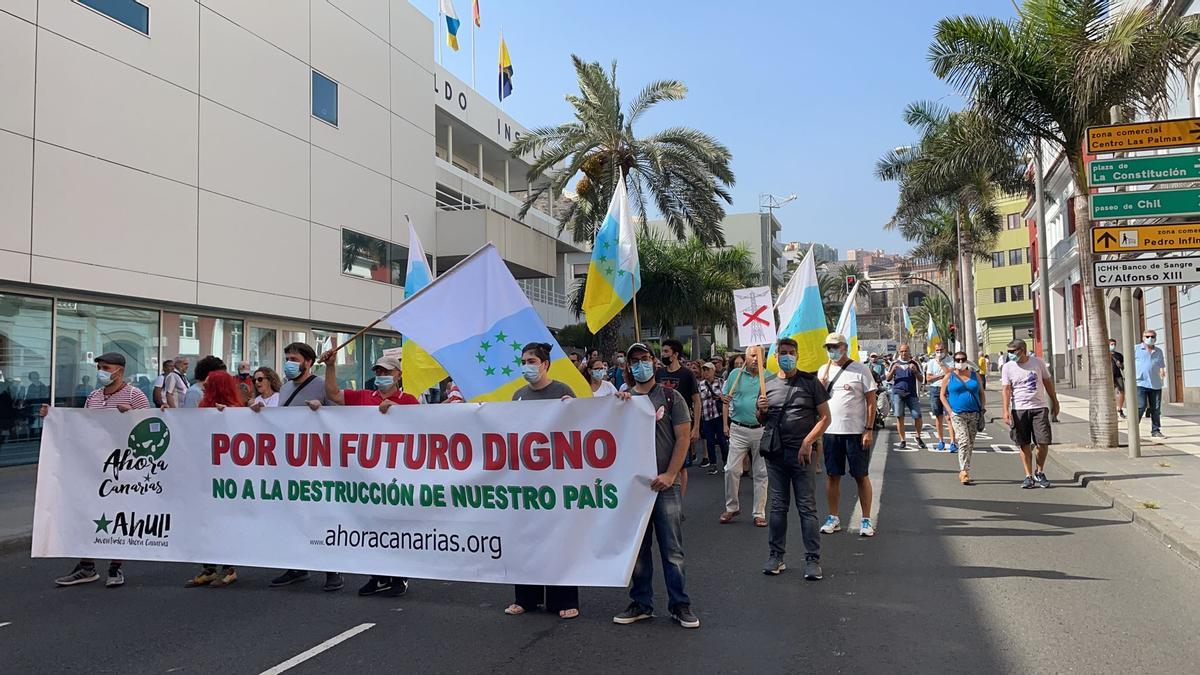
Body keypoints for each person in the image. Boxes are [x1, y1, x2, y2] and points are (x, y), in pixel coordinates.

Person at [315, 342, 419, 597]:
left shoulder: (409, 401)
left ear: (399, 375)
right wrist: (330, 366)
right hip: (366, 473)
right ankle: (378, 576)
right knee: (373, 525)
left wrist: (397, 413)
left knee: (396, 525)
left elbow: (422, 432)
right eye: (379, 372)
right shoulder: (364, 396)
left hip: (397, 474)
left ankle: (399, 577)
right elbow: (334, 394)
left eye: (387, 373)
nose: (382, 377)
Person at [42, 353, 149, 588]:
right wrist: (52, 417)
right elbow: (83, 426)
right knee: (89, 513)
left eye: (105, 367)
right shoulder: (93, 397)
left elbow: (148, 428)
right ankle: (86, 565)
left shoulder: (134, 395)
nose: (101, 371)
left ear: (119, 371)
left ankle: (115, 566)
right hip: (94, 465)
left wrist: (130, 415)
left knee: (119, 515)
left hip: (122, 466)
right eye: (99, 367)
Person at [612, 342, 699, 629]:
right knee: (638, 549)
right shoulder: (622, 401)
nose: (640, 365)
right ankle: (641, 603)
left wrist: (672, 474)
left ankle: (680, 604)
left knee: (672, 549)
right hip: (634, 487)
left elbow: (683, 438)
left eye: (644, 359)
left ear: (654, 362)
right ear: (628, 366)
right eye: (634, 361)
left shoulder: (671, 397)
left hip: (665, 484)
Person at [258, 342, 344, 592]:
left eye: (294, 359)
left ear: (308, 362)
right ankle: (296, 565)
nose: (289, 363)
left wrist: (321, 410)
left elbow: (341, 416)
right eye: (287, 358)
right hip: (291, 463)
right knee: (293, 517)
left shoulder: (320, 385)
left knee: (322, 515)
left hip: (318, 464)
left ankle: (332, 569)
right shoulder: (285, 389)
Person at [505, 342, 579, 619]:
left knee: (559, 537)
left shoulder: (562, 392)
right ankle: (526, 597)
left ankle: (564, 599)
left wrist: (572, 410)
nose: (527, 366)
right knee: (526, 538)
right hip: (527, 480)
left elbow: (579, 429)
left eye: (532, 361)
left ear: (545, 364)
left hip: (556, 479)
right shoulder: (519, 396)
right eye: (524, 361)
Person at [759, 338, 831, 580]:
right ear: (776, 356)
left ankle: (813, 560)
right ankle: (775, 556)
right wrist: (760, 409)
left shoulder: (810, 383)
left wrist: (808, 442)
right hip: (775, 455)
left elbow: (825, 418)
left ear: (798, 356)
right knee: (778, 507)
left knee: (806, 508)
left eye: (791, 352)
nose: (786, 356)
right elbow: (763, 420)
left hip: (803, 456)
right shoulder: (766, 383)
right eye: (782, 352)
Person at [185, 371, 245, 588]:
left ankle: (229, 568)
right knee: (205, 521)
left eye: (208, 385)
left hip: (227, 477)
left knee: (224, 521)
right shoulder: (203, 408)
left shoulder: (236, 411)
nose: (203, 387)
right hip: (205, 473)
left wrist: (226, 416)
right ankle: (209, 568)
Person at [816, 333, 877, 538]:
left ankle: (866, 519)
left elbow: (871, 401)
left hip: (856, 432)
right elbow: (818, 402)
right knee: (833, 475)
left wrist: (868, 429)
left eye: (835, 346)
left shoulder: (860, 369)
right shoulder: (823, 371)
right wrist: (821, 386)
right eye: (828, 347)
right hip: (831, 432)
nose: (831, 350)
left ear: (844, 347)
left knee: (861, 475)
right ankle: (833, 517)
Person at [1000, 339, 1060, 489]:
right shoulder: (1007, 367)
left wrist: (1055, 401)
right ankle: (1028, 476)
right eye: (1009, 351)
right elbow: (1006, 390)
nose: (1011, 354)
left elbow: (1047, 382)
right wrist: (1005, 411)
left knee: (1043, 442)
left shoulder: (1037, 363)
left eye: (1013, 351)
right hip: (1019, 409)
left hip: (1039, 407)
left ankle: (1039, 472)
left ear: (1022, 350)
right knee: (1023, 443)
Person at [720, 350, 768, 525]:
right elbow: (725, 396)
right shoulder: (735, 374)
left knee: (761, 472)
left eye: (759, 355)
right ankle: (732, 507)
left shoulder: (769, 377)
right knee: (731, 469)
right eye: (752, 355)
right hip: (738, 428)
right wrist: (724, 398)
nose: (755, 359)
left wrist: (766, 407)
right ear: (746, 357)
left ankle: (759, 513)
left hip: (761, 429)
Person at [656, 339, 702, 494]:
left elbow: (696, 401)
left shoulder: (687, 374)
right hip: (662, 425)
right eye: (662, 352)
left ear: (675, 354)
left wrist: (696, 427)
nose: (663, 355)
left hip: (682, 424)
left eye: (666, 352)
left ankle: (679, 502)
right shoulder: (659, 373)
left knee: (681, 465)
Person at [940, 351, 986, 485]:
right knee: (964, 441)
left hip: (974, 413)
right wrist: (950, 411)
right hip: (958, 414)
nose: (961, 362)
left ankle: (965, 469)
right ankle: (963, 471)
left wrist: (982, 409)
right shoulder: (949, 377)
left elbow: (981, 393)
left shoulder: (974, 375)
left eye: (963, 359)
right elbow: (942, 395)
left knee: (970, 443)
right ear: (954, 361)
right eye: (958, 360)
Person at [886, 344, 926, 450]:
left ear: (909, 351)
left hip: (911, 393)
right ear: (899, 352)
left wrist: (915, 371)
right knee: (899, 416)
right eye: (902, 351)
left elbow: (922, 379)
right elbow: (888, 379)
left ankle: (918, 436)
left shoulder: (914, 363)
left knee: (917, 416)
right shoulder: (894, 363)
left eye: (906, 351)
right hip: (898, 393)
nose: (904, 353)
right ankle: (902, 440)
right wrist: (893, 371)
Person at [1135, 329, 1167, 438]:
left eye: (1153, 337)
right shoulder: (1136, 349)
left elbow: (1161, 365)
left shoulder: (1158, 351)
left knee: (1156, 408)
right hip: (1140, 382)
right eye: (1147, 336)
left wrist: (1162, 371)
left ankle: (1156, 430)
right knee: (1141, 406)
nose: (1150, 339)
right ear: (1143, 337)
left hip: (1155, 383)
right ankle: (1134, 428)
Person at [696, 363, 727, 474]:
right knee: (709, 441)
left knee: (722, 441)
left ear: (713, 371)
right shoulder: (700, 385)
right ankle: (713, 464)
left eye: (708, 370)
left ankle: (725, 462)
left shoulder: (721, 382)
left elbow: (726, 398)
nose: (706, 372)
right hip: (706, 416)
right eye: (704, 370)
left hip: (718, 415)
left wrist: (719, 397)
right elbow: (698, 401)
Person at [924, 346, 955, 452]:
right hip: (935, 390)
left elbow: (949, 374)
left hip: (947, 389)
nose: (939, 352)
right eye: (937, 350)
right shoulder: (931, 362)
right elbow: (928, 378)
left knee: (949, 417)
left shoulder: (950, 361)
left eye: (941, 350)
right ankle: (941, 441)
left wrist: (942, 365)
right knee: (938, 416)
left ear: (944, 350)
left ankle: (953, 442)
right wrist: (941, 376)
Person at [1110, 338, 1126, 420]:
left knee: (1121, 392)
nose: (1113, 346)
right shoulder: (1104, 354)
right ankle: (1111, 411)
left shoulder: (1119, 355)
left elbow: (1123, 367)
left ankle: (1120, 409)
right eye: (1111, 344)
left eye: (1114, 344)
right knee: (1110, 394)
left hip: (1118, 375)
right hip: (1108, 376)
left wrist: (1120, 365)